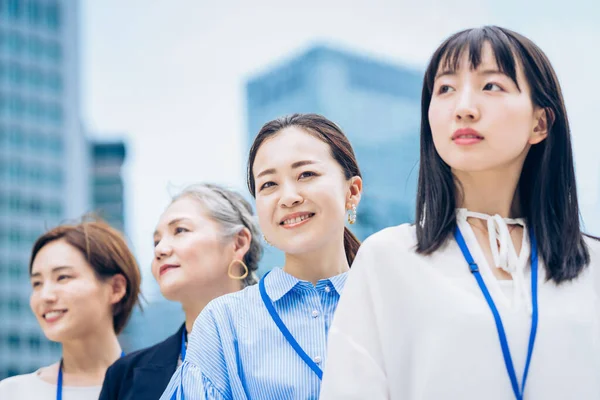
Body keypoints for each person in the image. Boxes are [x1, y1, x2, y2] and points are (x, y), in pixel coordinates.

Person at [320, 26, 600, 400]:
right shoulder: (388, 258)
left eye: (491, 86)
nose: (463, 107)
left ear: (541, 122)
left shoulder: (593, 266)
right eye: (446, 89)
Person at [160, 113, 363, 399]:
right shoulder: (222, 323)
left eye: (306, 174)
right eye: (269, 184)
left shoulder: (395, 305)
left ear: (352, 191)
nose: (288, 197)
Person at [99, 183, 262, 400]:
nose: (160, 249)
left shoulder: (292, 343)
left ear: (238, 242)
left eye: (180, 230)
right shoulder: (124, 376)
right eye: (156, 241)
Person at [0, 219, 142, 400]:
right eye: (37, 283)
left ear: (116, 288)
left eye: (62, 277)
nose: (45, 296)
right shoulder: (12, 393)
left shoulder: (161, 387)